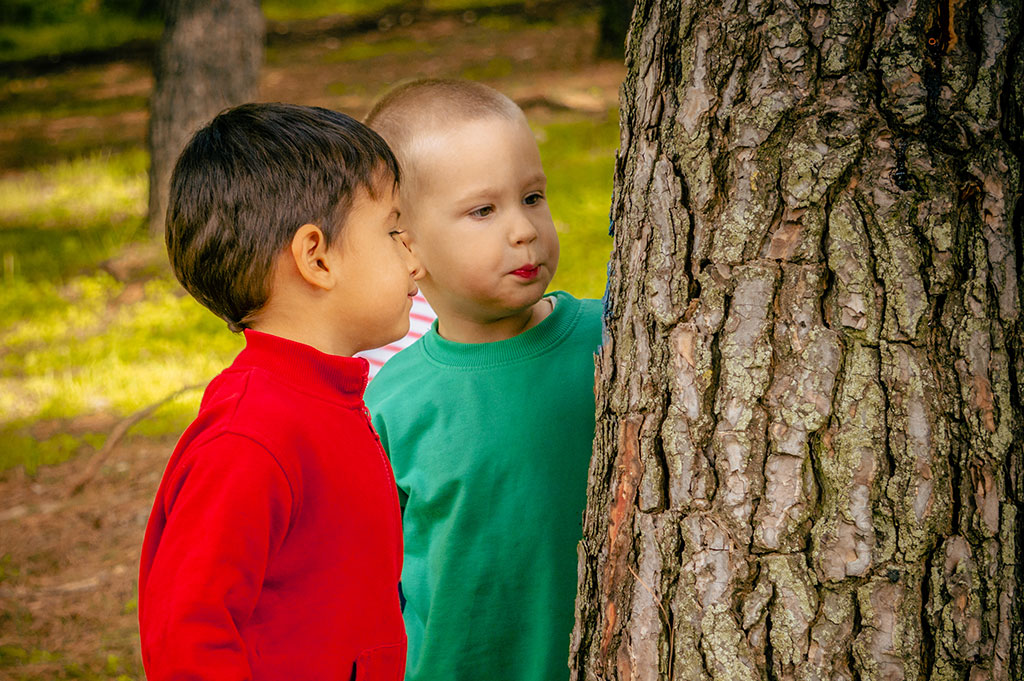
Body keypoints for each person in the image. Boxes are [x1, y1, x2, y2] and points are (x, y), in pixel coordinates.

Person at [138, 102, 419, 681]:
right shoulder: (251, 435)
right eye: (393, 231)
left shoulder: (331, 398)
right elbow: (187, 632)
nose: (413, 257)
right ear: (315, 257)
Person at [364, 79, 603, 681]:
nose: (523, 229)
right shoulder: (391, 402)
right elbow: (370, 582)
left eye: (532, 197)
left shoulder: (617, 338)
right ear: (407, 247)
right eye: (483, 210)